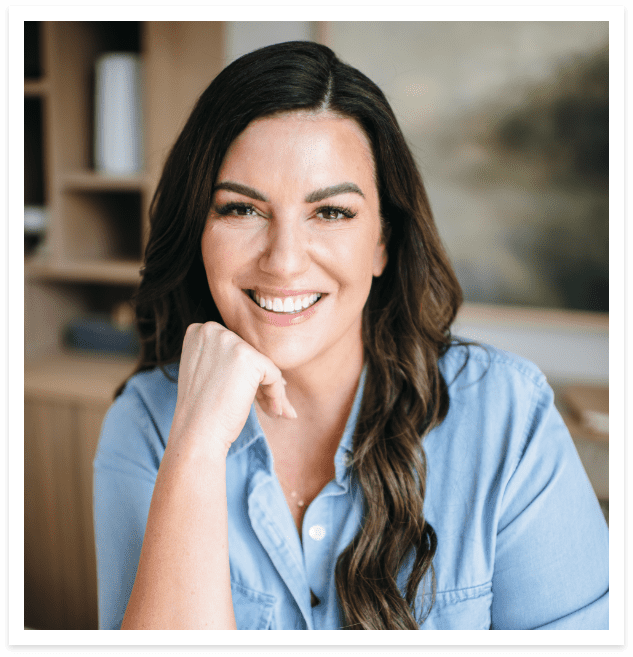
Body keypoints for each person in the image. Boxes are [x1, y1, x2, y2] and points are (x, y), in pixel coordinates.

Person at [93, 41, 609, 630]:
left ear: (383, 242)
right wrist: (197, 448)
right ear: (198, 230)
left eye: (331, 212)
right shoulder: (149, 423)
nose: (284, 262)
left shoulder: (508, 417)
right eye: (242, 209)